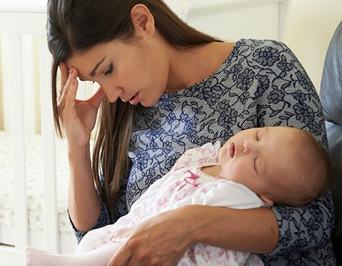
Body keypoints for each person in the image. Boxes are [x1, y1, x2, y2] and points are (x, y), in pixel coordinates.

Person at [46, 0, 335, 264]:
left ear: (142, 21)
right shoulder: (127, 110)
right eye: (92, 80)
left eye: (107, 69)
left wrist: (191, 223)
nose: (109, 95)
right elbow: (99, 241)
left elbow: (315, 219)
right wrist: (78, 147)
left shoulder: (266, 66)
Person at [25, 126, 333, 266]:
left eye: (257, 163)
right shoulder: (204, 156)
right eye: (258, 134)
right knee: (96, 241)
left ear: (265, 196)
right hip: (139, 223)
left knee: (117, 250)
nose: (249, 146)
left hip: (179, 255)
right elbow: (160, 188)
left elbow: (320, 220)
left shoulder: (240, 196)